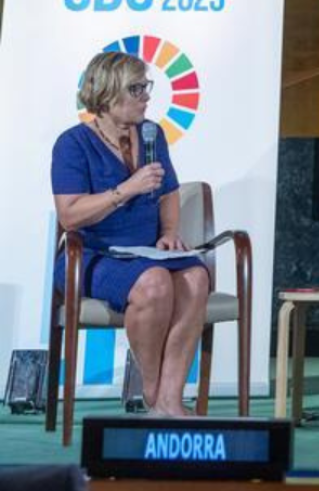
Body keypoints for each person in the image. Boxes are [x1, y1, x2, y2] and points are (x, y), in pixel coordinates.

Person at [51, 51, 208, 418]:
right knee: (154, 283)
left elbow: (168, 189)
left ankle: (171, 400)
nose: (146, 97)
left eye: (145, 87)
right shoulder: (73, 144)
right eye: (136, 89)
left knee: (197, 277)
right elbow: (70, 215)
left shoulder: (152, 133)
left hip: (147, 251)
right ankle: (153, 391)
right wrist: (127, 189)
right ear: (107, 94)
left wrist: (169, 231)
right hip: (92, 253)